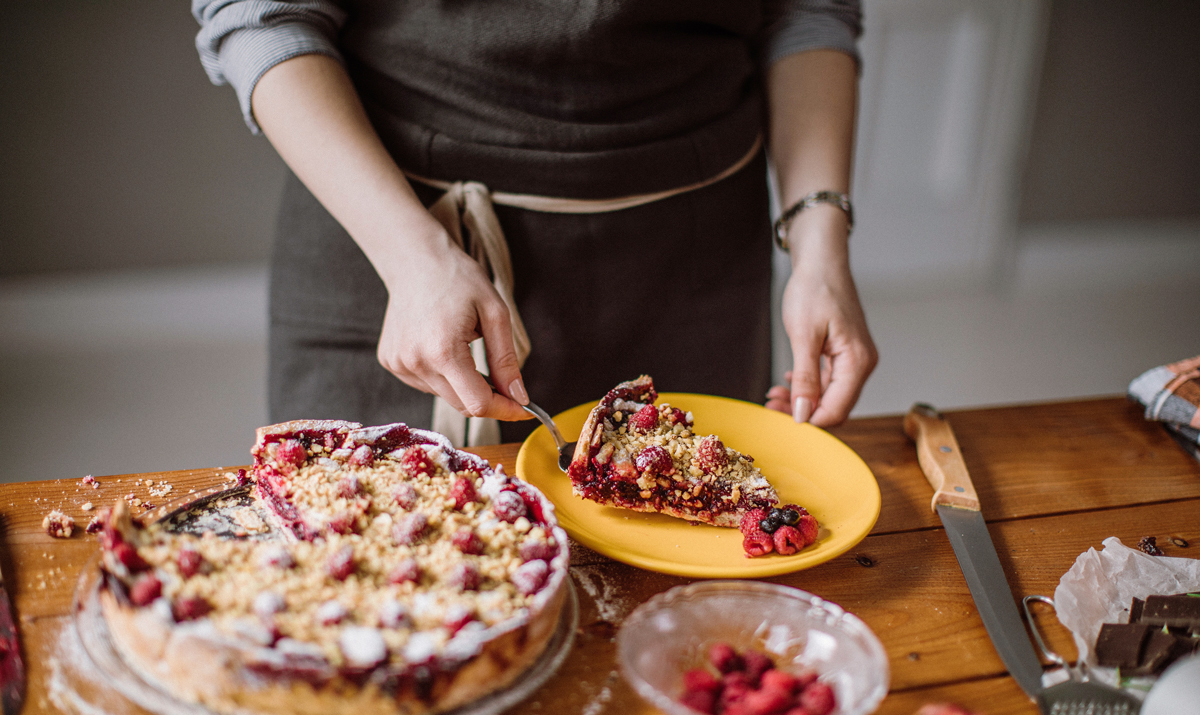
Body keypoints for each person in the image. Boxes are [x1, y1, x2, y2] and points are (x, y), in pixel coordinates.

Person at [192, 0, 877, 445]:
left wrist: (820, 244)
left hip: (689, 259)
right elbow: (262, 15)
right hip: (392, 231)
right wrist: (412, 258)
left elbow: (806, 9)